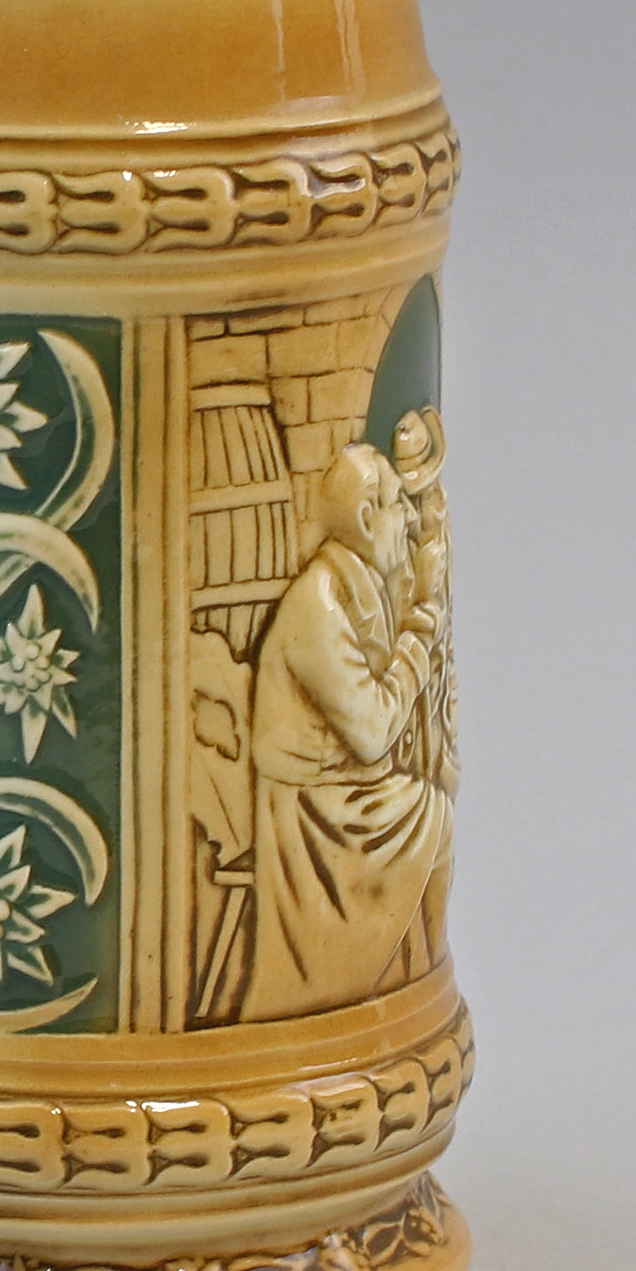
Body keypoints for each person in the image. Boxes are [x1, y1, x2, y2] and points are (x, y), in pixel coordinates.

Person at [196, 438, 454, 1023]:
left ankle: (408, 983)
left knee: (432, 813)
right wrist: (422, 629)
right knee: (432, 815)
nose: (409, 516)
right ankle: (374, 999)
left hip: (346, 796)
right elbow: (373, 731)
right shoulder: (319, 605)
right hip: (313, 814)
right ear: (365, 519)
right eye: (398, 504)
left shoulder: (358, 584)